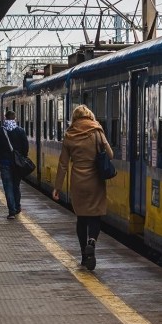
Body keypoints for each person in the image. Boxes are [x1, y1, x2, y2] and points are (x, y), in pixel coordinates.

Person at [53, 105, 113, 271]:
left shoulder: (69, 134)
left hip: (78, 181)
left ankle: (84, 257)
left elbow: (63, 164)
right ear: (89, 116)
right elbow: (110, 155)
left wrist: (57, 187)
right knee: (95, 216)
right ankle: (92, 242)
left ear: (75, 118)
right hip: (95, 180)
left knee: (81, 218)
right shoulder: (97, 131)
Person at [0, 110, 29, 219]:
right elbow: (25, 148)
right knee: (16, 186)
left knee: (8, 187)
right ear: (14, 118)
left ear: (5, 118)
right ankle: (17, 207)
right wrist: (22, 158)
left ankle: (11, 211)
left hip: (5, 163)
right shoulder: (20, 131)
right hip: (17, 165)